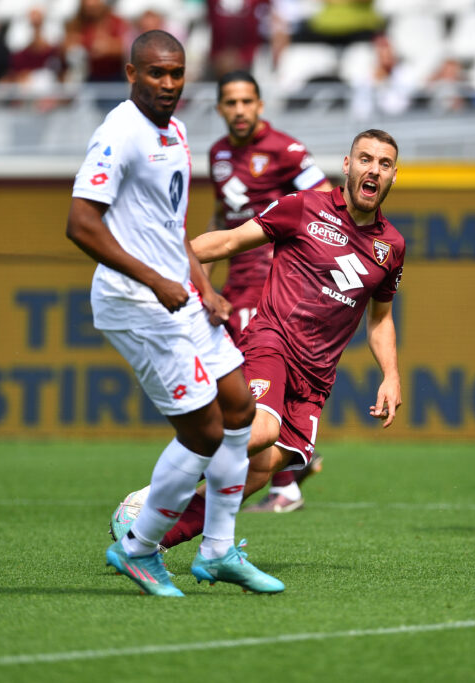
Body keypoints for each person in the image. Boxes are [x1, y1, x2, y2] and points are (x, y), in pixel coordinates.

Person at [111, 128, 406, 557]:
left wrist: (391, 375)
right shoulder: (303, 207)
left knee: (259, 471)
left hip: (316, 377)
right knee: (260, 431)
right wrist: (160, 265)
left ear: (394, 175)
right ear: (347, 165)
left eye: (383, 163)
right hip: (272, 343)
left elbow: (380, 319)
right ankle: (154, 494)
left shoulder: (391, 246)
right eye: (365, 159)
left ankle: (146, 544)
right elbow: (229, 240)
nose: (373, 169)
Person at [66, 30, 283, 597]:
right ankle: (139, 548)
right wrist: (158, 279)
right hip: (134, 302)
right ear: (132, 74)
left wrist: (203, 285)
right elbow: (81, 224)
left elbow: (170, 228)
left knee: (239, 408)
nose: (168, 83)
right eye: (156, 73)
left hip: (180, 296)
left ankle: (218, 553)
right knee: (204, 430)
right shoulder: (120, 132)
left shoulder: (178, 130)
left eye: (176, 73)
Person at [180, 69, 332, 516]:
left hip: (272, 287)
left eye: (248, 101)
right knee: (233, 382)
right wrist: (198, 277)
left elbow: (325, 207)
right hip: (235, 283)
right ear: (220, 108)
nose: (240, 110)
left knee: (247, 383)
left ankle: (284, 483)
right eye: (231, 102)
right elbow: (221, 223)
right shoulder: (219, 152)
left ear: (260, 105)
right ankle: (288, 463)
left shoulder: (286, 150)